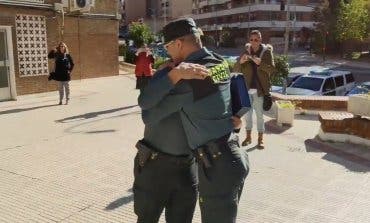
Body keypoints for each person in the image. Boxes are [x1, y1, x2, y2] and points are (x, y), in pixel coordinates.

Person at [138, 18, 249, 223]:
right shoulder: (218, 61)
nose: (167, 52)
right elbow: (224, 97)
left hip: (215, 164)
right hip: (229, 156)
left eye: (168, 46)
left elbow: (147, 109)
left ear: (179, 44)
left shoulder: (192, 75)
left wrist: (173, 75)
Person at [133, 48, 209, 222]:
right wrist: (172, 75)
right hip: (154, 165)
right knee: (146, 218)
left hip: (187, 166)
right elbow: (147, 111)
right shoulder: (164, 74)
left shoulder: (207, 77)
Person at [233, 30, 275, 149]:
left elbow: (272, 69)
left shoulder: (266, 52)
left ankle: (260, 139)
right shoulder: (246, 51)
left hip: (259, 90)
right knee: (248, 115)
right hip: (246, 90)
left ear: (260, 40)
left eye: (256, 40)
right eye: (251, 40)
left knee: (260, 116)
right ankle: (248, 137)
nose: (253, 42)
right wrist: (240, 62)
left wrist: (260, 63)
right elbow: (235, 69)